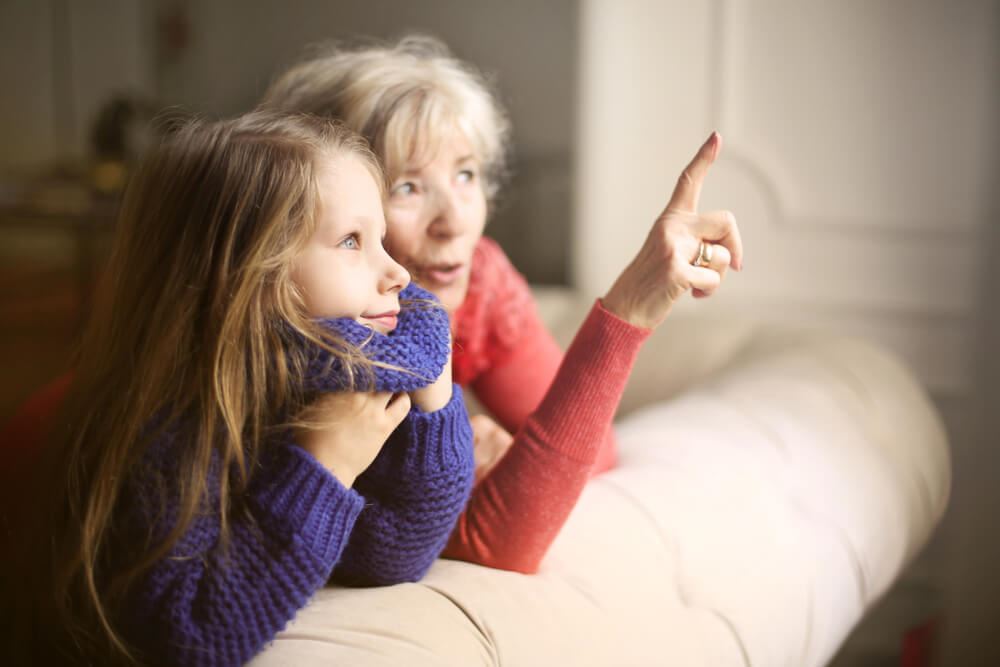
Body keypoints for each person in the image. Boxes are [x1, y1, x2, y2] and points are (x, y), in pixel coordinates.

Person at [4, 112, 474, 666]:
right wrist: (324, 468)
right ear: (246, 273)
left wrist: (434, 399)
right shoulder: (172, 423)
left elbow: (391, 556)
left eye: (380, 239)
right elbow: (194, 637)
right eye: (351, 240)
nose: (396, 271)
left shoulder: (331, 376)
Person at [259, 35, 743, 573]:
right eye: (408, 187)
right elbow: (493, 542)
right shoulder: (327, 332)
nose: (456, 222)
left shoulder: (481, 279)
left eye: (465, 175)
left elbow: (597, 449)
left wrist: (495, 444)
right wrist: (629, 307)